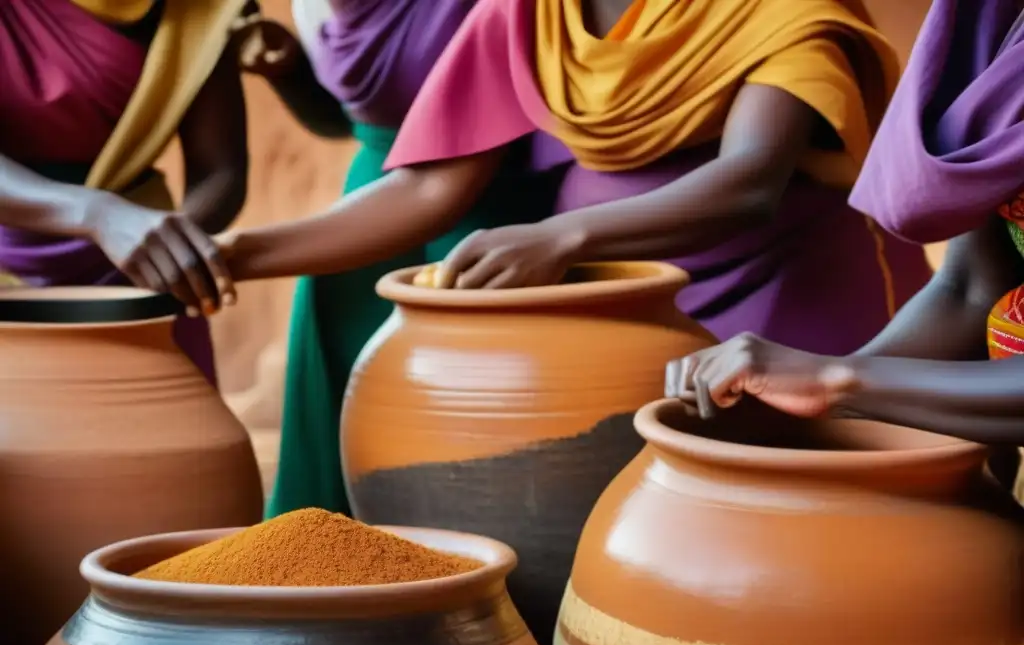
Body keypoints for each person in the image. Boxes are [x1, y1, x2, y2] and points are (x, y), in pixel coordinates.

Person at [217, 0, 932, 360]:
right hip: (607, 321)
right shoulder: (533, 10)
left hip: (790, 314)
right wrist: (234, 255)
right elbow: (429, 188)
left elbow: (749, 182)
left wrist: (563, 235)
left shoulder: (779, 9)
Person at [665, 0, 1024, 500]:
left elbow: (748, 182)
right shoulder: (991, 20)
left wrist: (841, 381)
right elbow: (970, 290)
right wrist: (812, 401)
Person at [230, 0, 554, 518]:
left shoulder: (496, 10)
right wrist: (291, 73)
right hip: (364, 214)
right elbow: (347, 119)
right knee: (348, 426)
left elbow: (440, 184)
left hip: (487, 211)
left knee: (460, 422)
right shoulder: (315, 6)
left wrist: (240, 253)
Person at [0, 0, 248, 385]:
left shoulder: (201, 9)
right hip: (10, 261)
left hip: (144, 270)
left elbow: (220, 170)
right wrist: (97, 215)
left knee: (173, 433)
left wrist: (170, 247)